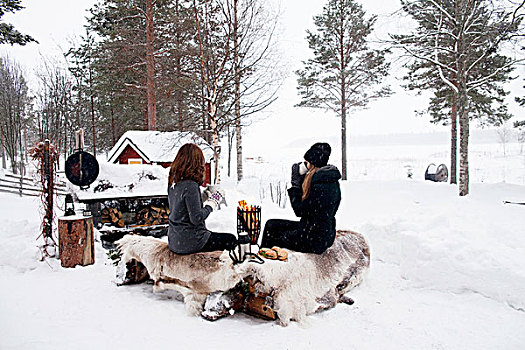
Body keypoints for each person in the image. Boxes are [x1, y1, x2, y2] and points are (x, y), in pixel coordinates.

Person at [261, 142, 341, 254]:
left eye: (306, 162)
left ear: (312, 163)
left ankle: (266, 262)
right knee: (272, 224)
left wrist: (295, 185)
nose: (304, 165)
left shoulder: (321, 185)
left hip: (313, 240)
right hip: (318, 231)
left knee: (274, 237)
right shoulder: (328, 179)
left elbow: (299, 210)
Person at [167, 143, 237, 254]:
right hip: (192, 242)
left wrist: (202, 197)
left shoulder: (174, 183)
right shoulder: (190, 185)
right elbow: (196, 218)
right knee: (230, 239)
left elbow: (181, 208)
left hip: (175, 240)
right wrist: (212, 203)